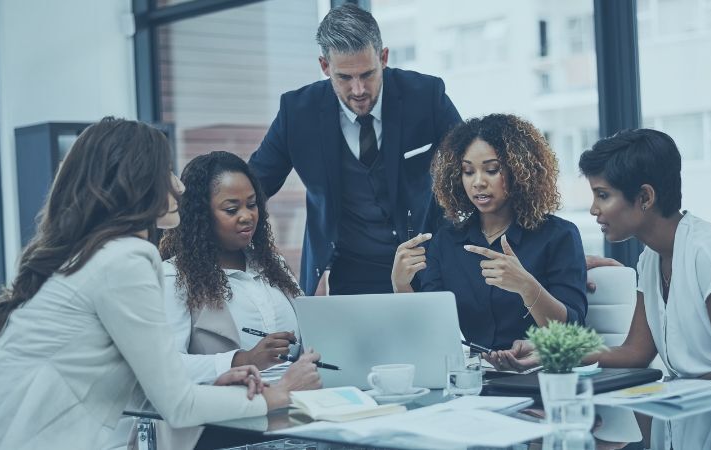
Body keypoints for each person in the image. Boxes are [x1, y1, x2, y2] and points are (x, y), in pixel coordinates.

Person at [0, 118, 320, 450]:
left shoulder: (92, 254)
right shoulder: (128, 258)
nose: (179, 186)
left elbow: (144, 383)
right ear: (134, 180)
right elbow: (178, 406)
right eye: (166, 171)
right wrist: (280, 394)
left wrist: (216, 381)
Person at [486, 129, 711, 379]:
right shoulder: (651, 257)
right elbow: (635, 352)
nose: (595, 209)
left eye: (603, 195)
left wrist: (667, 395)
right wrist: (550, 351)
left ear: (645, 197)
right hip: (702, 400)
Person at [249, 3, 462, 295]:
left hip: (423, 260)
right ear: (325, 67)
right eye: (345, 78)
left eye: (367, 74)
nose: (359, 90)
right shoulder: (297, 112)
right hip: (347, 269)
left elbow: (469, 160)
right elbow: (254, 184)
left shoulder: (425, 95)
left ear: (383, 57)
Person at [391, 114, 588, 351]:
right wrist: (401, 285)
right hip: (475, 379)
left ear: (520, 171)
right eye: (468, 171)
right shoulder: (446, 241)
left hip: (540, 375)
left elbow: (572, 334)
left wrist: (527, 286)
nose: (478, 182)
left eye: (492, 170)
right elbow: (431, 333)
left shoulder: (559, 236)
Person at [159, 151, 303, 381]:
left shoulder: (274, 265)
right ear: (201, 215)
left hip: (301, 401)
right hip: (230, 409)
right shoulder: (174, 277)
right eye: (231, 209)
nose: (247, 216)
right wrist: (242, 360)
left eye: (252, 204)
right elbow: (166, 366)